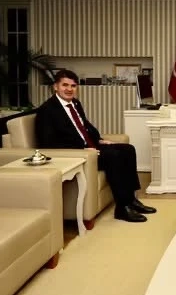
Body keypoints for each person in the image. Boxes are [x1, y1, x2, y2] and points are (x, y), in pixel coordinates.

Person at [35, 69, 157, 223]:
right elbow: (48, 143)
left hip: (90, 148)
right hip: (77, 154)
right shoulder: (47, 110)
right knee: (114, 156)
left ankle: (131, 200)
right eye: (65, 85)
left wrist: (99, 140)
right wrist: (82, 150)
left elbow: (84, 126)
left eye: (73, 86)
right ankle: (122, 208)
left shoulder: (75, 103)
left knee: (128, 149)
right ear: (56, 87)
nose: (69, 89)